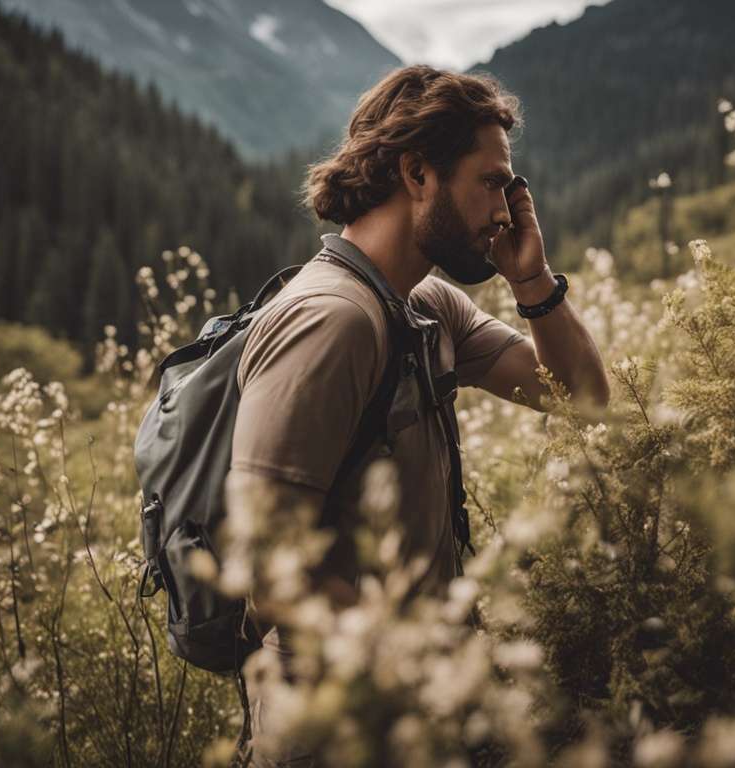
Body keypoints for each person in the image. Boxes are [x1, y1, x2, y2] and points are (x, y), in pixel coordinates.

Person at [224, 64, 609, 767]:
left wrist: (532, 280)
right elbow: (268, 563)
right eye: (492, 181)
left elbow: (581, 397)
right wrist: (422, 662)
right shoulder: (331, 321)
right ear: (416, 173)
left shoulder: (426, 307)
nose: (506, 209)